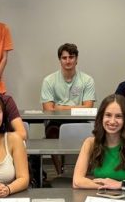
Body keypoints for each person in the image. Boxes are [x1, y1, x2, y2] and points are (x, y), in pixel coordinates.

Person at [41, 43, 96, 175]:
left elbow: (88, 107)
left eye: (71, 57)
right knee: (51, 133)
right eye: (64, 58)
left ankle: (83, 173)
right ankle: (59, 172)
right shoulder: (49, 80)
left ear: (76, 59)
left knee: (95, 137)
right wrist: (78, 107)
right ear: (60, 60)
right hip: (56, 121)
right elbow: (48, 109)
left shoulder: (87, 80)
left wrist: (60, 107)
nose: (68, 61)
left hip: (81, 121)